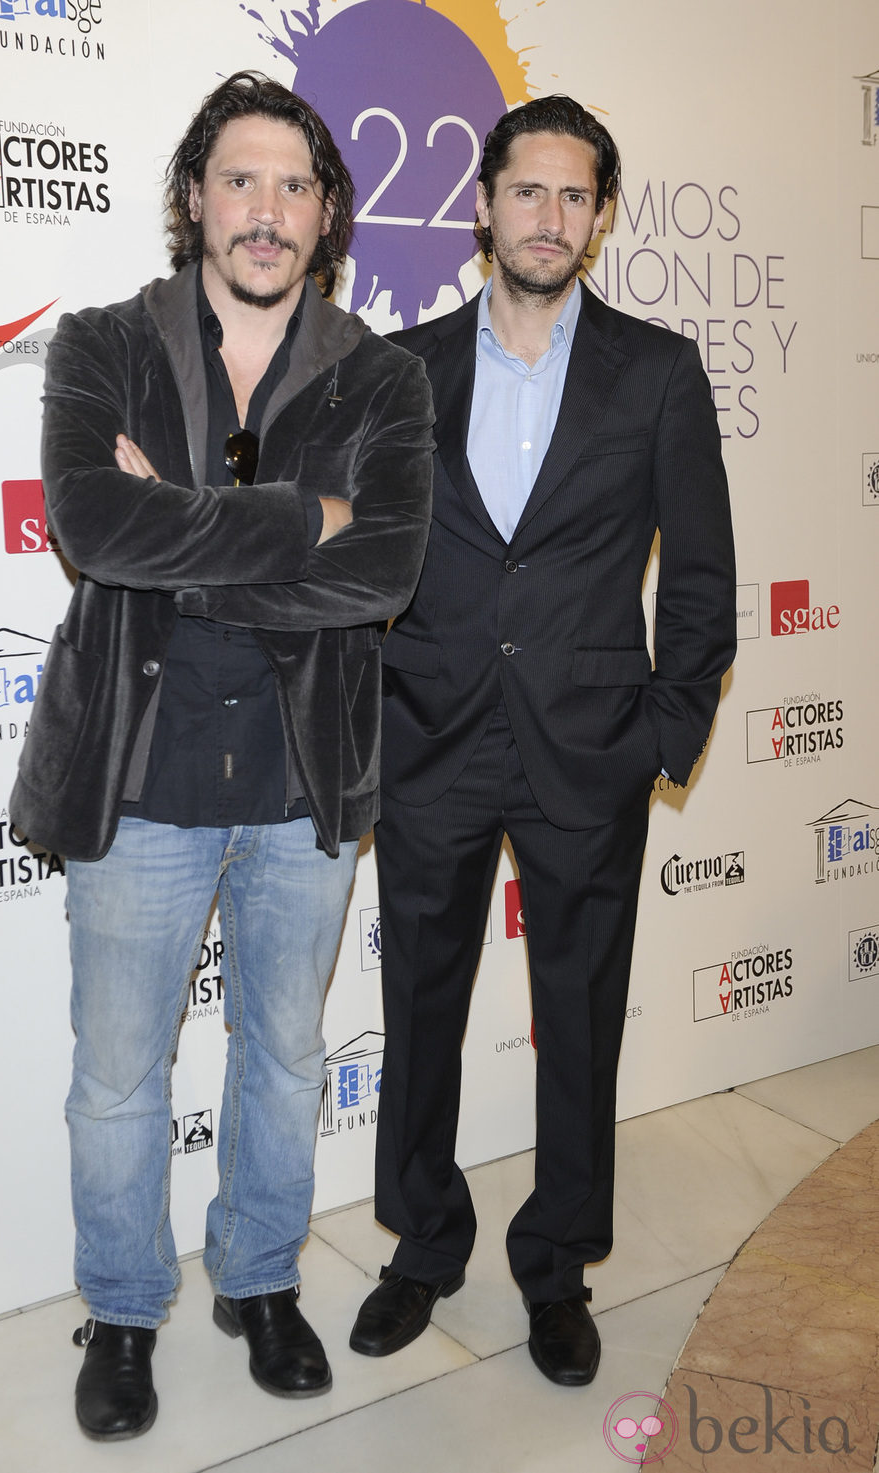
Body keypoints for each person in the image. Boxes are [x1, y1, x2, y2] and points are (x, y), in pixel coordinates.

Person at [10, 71, 433, 1439]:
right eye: (240, 179)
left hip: (306, 781)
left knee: (287, 1056)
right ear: (195, 199)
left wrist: (183, 529)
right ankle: (124, 1308)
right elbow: (94, 527)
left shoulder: (384, 376)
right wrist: (298, 519)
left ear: (327, 218)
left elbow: (385, 570)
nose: (265, 210)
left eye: (293, 186)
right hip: (138, 774)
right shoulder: (100, 345)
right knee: (120, 1068)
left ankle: (260, 1279)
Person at [350, 95, 735, 1387]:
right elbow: (356, 556)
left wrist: (661, 735)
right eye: (529, 191)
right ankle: (423, 1245)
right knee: (420, 1003)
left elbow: (702, 579)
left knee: (579, 1016)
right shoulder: (397, 369)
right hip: (430, 737)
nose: (550, 217)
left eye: (576, 197)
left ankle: (558, 1261)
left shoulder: (659, 372)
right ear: (483, 204)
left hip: (590, 750)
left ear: (601, 216)